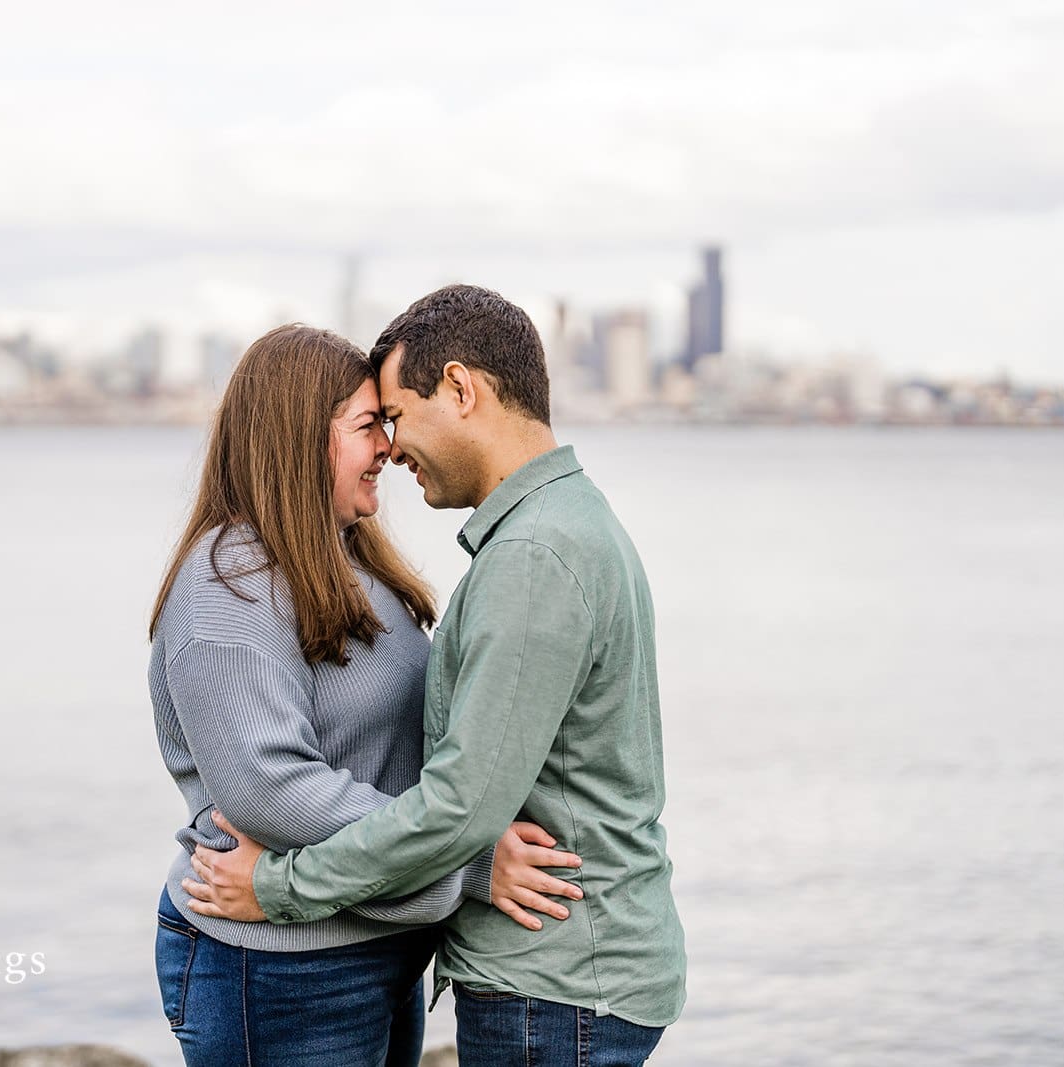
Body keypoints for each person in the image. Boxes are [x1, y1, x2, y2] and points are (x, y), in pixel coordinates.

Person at [183, 287, 687, 1067]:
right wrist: (469, 866)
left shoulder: (532, 555)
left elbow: (458, 809)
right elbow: (282, 788)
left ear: (460, 389)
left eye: (395, 414)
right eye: (371, 423)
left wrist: (281, 887)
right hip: (521, 973)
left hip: (552, 979)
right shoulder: (553, 531)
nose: (390, 442)